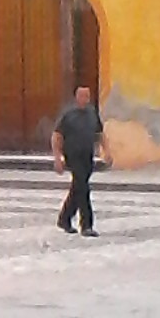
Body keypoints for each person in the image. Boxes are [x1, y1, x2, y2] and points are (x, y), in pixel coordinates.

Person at [53, 86, 111, 237]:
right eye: (81, 95)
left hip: (87, 156)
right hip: (73, 155)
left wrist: (107, 152)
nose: (85, 98)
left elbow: (100, 134)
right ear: (76, 97)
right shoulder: (68, 115)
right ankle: (86, 225)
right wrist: (57, 158)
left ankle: (64, 219)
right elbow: (57, 136)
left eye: (87, 95)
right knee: (83, 188)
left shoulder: (92, 114)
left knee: (77, 188)